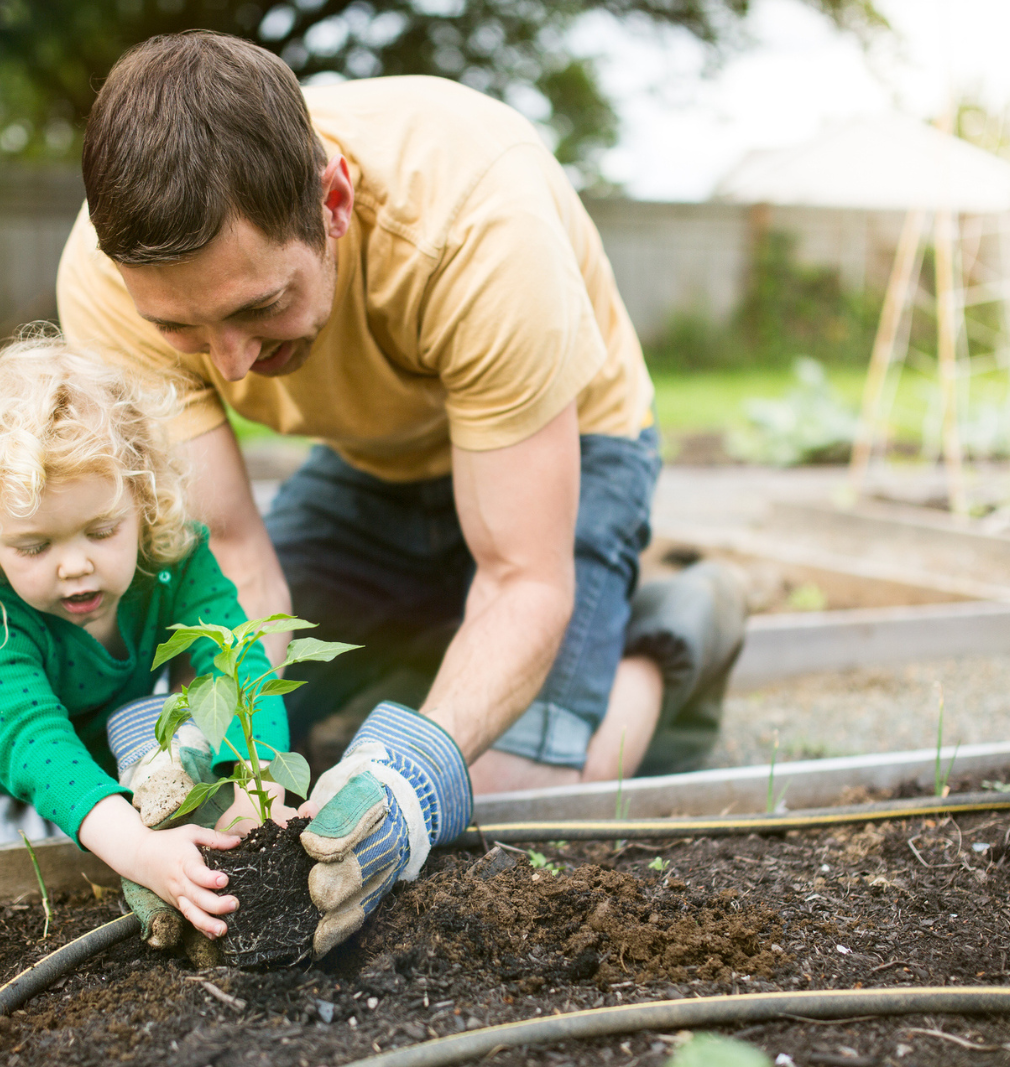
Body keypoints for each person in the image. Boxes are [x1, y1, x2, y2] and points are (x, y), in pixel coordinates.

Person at [57, 32, 746, 954]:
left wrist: (415, 777)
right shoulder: (110, 284)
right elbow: (237, 561)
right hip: (372, 463)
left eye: (260, 306)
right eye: (184, 328)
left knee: (508, 791)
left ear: (333, 203)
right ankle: (430, 644)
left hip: (569, 445)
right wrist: (192, 776)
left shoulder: (477, 224)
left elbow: (519, 579)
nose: (232, 363)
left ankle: (670, 635)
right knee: (232, 754)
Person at [0, 334, 295, 942]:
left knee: (92, 837)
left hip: (73, 734)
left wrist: (260, 789)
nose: (74, 566)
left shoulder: (175, 558)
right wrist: (142, 855)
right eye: (34, 546)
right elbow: (33, 741)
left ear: (143, 502)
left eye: (101, 530)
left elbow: (236, 662)